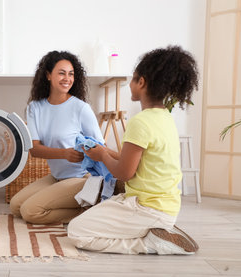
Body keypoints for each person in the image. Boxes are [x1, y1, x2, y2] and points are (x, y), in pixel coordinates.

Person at [67, 45, 200, 255]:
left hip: (146, 208)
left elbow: (124, 173)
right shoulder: (165, 118)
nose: (129, 84)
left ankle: (148, 243)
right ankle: (156, 233)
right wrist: (106, 151)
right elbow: (136, 161)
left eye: (133, 79)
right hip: (164, 207)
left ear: (142, 82)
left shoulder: (140, 122)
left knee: (76, 231)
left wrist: (101, 155)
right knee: (92, 217)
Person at [9, 50, 105, 224]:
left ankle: (90, 211)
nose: (67, 78)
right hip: (56, 176)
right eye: (61, 73)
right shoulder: (35, 108)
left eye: (71, 74)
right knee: (16, 206)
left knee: (30, 212)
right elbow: (35, 150)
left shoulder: (81, 108)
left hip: (82, 177)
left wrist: (86, 153)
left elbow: (101, 148)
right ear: (48, 75)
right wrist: (64, 154)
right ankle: (83, 206)